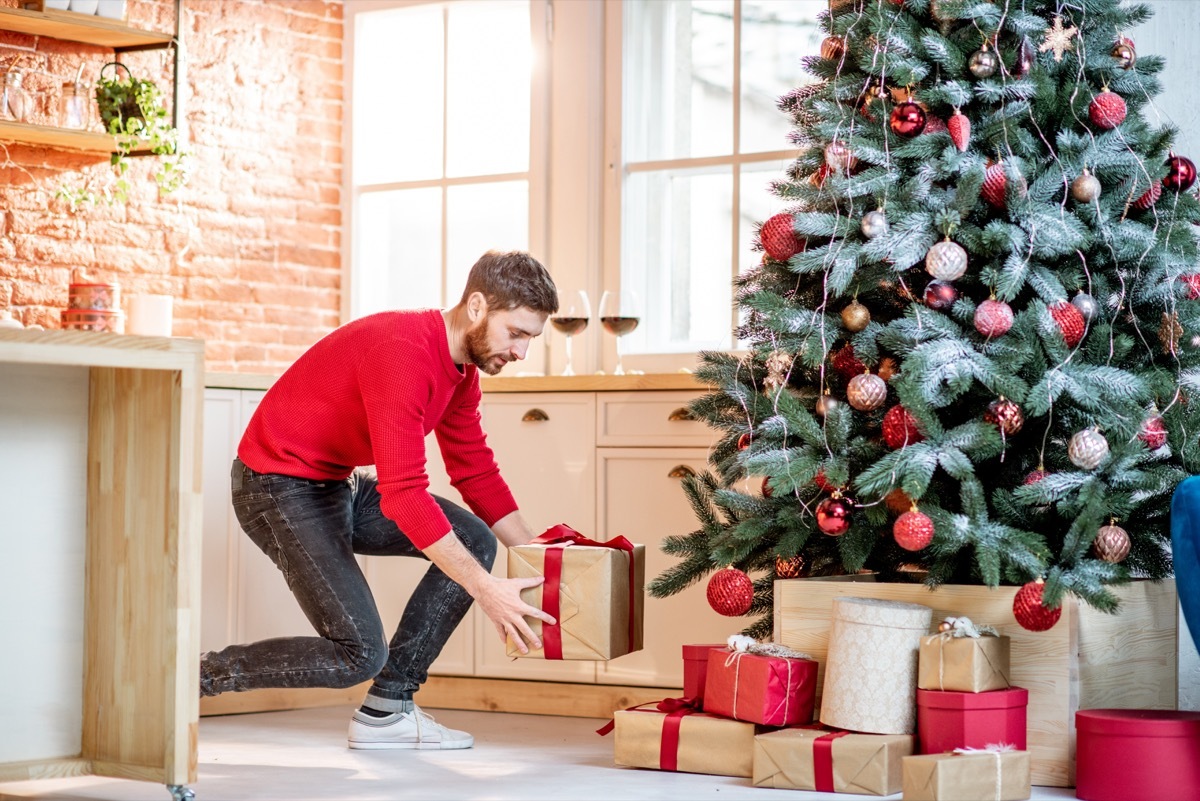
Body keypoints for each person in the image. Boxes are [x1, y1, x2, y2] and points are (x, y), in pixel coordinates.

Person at [200, 250, 560, 751]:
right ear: (477, 306)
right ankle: (187, 680)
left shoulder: (462, 373)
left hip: (335, 484)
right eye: (516, 333)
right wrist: (485, 589)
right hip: (275, 488)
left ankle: (387, 711)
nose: (521, 351)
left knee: (474, 538)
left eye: (531, 339)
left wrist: (545, 555)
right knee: (359, 653)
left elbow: (473, 469)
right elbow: (405, 496)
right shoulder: (404, 352)